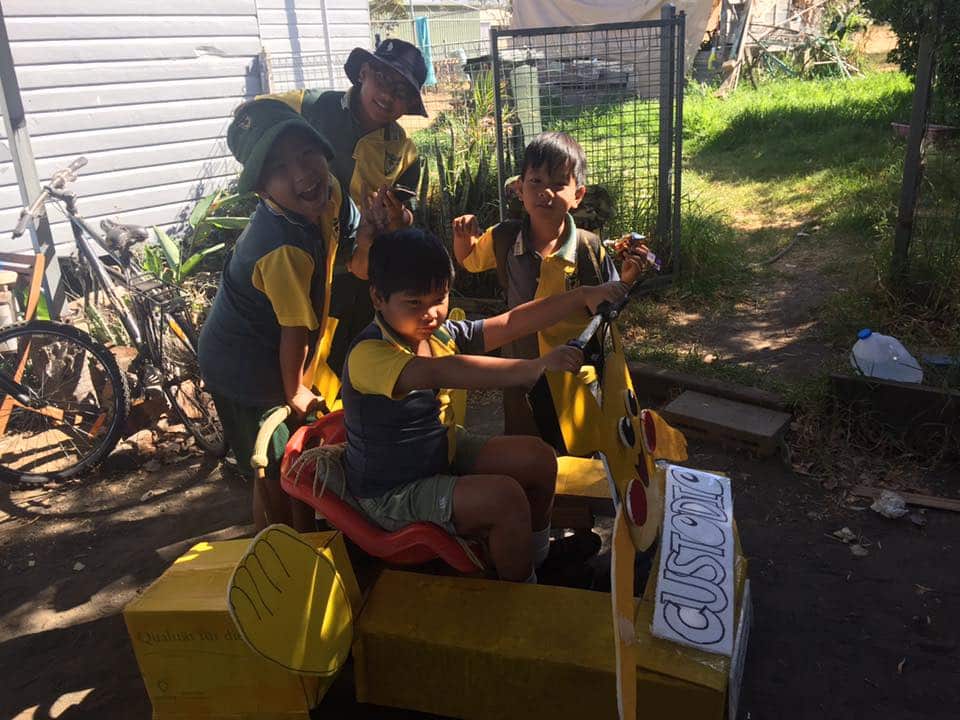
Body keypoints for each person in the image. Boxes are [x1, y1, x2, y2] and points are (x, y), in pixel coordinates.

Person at [340, 229, 633, 583]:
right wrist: (535, 366)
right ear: (377, 298)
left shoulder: (438, 333)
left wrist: (582, 295)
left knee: (539, 458)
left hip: (438, 450)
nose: (431, 314)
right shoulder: (369, 354)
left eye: (439, 299)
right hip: (393, 492)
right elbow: (441, 371)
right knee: (505, 500)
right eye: (414, 303)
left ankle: (537, 560)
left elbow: (510, 322)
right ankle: (524, 595)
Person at [198, 98, 387, 532]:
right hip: (242, 365)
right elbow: (293, 329)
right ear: (262, 189)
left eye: (306, 153)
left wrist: (372, 233)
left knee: (296, 459)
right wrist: (296, 391)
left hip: (281, 350)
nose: (302, 173)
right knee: (273, 464)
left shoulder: (332, 193)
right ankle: (281, 543)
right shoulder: (280, 248)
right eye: (279, 168)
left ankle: (302, 535)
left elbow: (357, 263)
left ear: (323, 150)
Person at [452, 131, 650, 436]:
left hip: (574, 369)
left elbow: (610, 305)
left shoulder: (588, 247)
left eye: (558, 184)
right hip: (521, 367)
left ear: (577, 195)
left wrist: (626, 279)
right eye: (536, 181)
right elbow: (469, 261)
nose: (545, 191)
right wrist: (462, 239)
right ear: (520, 189)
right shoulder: (504, 238)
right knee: (524, 435)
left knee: (576, 438)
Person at [263, 39, 429, 380]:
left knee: (352, 354)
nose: (388, 95)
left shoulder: (403, 150)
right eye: (383, 79)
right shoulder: (313, 106)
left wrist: (398, 218)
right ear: (364, 73)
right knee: (296, 350)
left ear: (409, 104)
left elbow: (407, 213)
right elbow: (252, 118)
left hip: (359, 267)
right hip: (299, 258)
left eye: (401, 91)